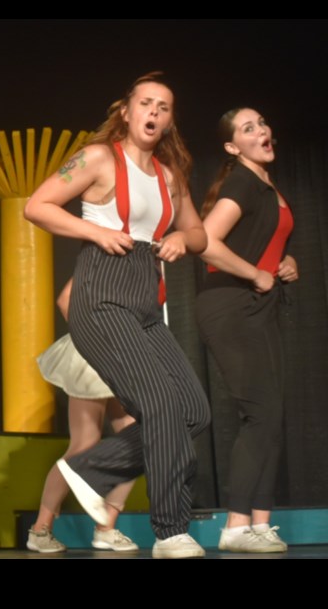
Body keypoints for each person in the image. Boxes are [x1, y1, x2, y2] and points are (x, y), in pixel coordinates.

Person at [24, 72, 211, 559]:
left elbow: (199, 236)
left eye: (164, 107)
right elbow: (38, 206)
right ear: (126, 112)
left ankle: (85, 470)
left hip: (146, 298)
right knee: (161, 407)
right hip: (103, 292)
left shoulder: (171, 174)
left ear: (170, 121)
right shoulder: (99, 157)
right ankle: (171, 531)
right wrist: (94, 234)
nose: (154, 112)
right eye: (145, 103)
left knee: (193, 409)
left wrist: (179, 239)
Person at [196, 108, 295, 554]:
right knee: (261, 414)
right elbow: (206, 242)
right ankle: (235, 529)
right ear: (233, 148)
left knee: (270, 416)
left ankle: (260, 524)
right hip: (231, 305)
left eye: (263, 123)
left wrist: (284, 264)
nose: (262, 131)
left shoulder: (266, 186)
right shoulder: (241, 180)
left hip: (261, 307)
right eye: (248, 129)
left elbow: (267, 243)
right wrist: (256, 274)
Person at [27, 280, 138, 553]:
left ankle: (106, 528)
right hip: (94, 354)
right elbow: (66, 299)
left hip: (124, 356)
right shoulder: (108, 253)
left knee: (138, 440)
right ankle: (40, 529)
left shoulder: (151, 267)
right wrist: (94, 343)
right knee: (84, 444)